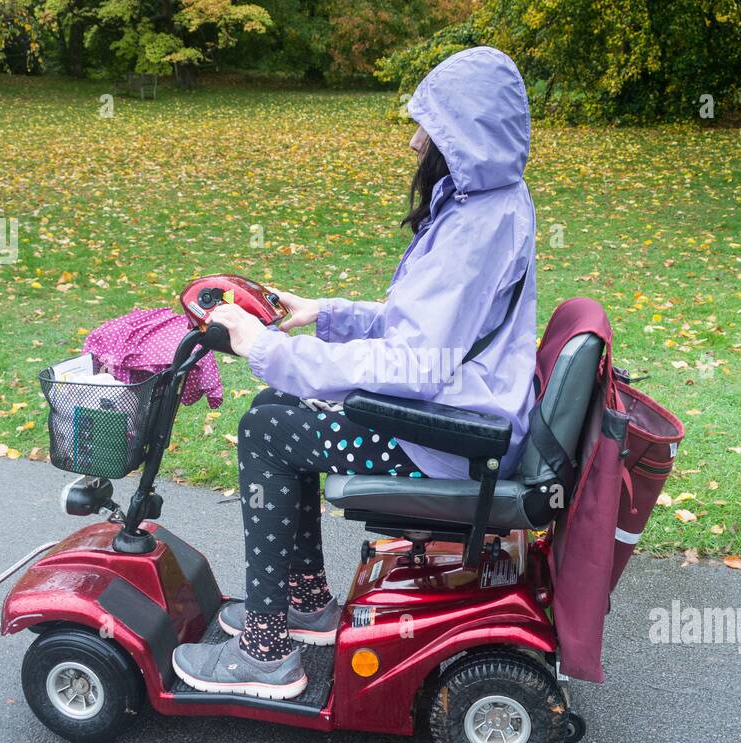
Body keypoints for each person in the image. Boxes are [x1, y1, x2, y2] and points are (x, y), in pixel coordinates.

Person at [171, 46, 538, 699]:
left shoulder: (477, 226)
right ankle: (305, 603)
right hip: (465, 415)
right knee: (279, 418)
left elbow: (414, 363)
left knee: (268, 429)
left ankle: (265, 654)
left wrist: (271, 351)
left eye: (432, 126)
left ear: (466, 138)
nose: (417, 140)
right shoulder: (487, 204)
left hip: (453, 441)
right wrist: (324, 313)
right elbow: (422, 325)